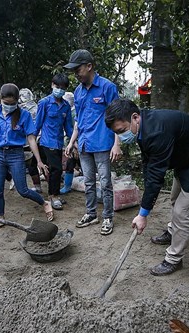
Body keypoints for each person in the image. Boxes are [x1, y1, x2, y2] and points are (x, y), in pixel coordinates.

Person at [105, 99, 189, 275]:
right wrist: (146, 197)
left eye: (122, 131)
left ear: (135, 117)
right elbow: (149, 164)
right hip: (187, 158)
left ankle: (174, 259)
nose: (122, 136)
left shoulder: (157, 132)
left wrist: (142, 214)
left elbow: (156, 177)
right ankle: (173, 231)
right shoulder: (142, 125)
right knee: (174, 198)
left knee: (182, 211)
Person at [0, 83, 53, 232]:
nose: (9, 106)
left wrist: (39, 161)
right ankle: (0, 218)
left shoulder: (24, 115)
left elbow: (31, 139)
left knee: (23, 190)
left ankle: (44, 203)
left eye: (13, 104)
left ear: (17, 101)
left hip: (16, 155)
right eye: (6, 103)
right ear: (0, 99)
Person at [64, 49, 121, 236]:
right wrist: (72, 142)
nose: (76, 74)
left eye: (78, 69)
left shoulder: (107, 87)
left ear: (89, 66)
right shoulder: (78, 92)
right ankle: (91, 213)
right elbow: (78, 121)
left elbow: (119, 117)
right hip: (85, 144)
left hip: (103, 143)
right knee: (88, 182)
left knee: (105, 182)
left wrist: (116, 143)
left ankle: (107, 217)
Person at [35, 73, 74, 210]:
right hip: (47, 141)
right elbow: (38, 123)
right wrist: (32, 141)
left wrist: (73, 142)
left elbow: (68, 127)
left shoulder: (66, 106)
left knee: (56, 169)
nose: (59, 89)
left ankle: (55, 193)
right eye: (57, 86)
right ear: (52, 85)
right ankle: (53, 196)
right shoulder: (44, 103)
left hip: (59, 142)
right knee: (56, 169)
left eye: (62, 87)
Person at [19, 88, 42, 193]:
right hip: (36, 139)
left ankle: (38, 187)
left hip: (31, 140)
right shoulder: (36, 107)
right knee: (35, 164)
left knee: (32, 164)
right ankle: (39, 186)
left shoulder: (22, 110)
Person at [60, 91, 79, 194]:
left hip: (78, 142)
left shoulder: (73, 113)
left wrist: (74, 144)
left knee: (71, 164)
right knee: (70, 164)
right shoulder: (70, 112)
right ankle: (67, 186)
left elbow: (74, 130)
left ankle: (67, 186)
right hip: (73, 142)